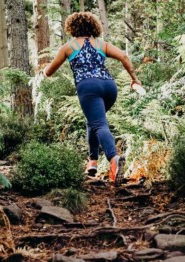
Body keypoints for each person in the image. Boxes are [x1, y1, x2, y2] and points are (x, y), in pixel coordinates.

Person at [42, 12, 142, 186]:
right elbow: (124, 57)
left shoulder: (68, 47)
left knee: (98, 124)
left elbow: (49, 72)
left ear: (72, 28)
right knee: (93, 121)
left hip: (88, 87)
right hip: (109, 87)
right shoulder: (101, 44)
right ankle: (92, 163)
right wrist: (134, 78)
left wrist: (43, 71)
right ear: (94, 27)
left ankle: (114, 158)